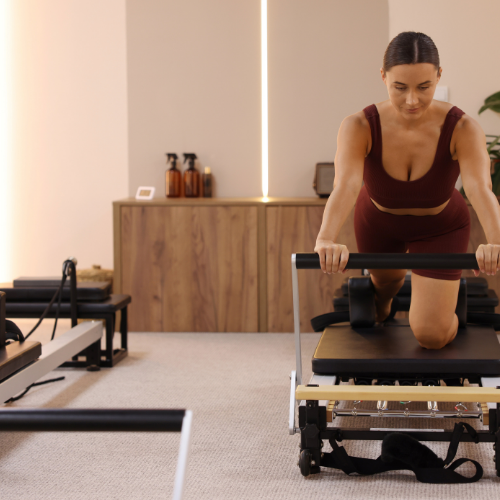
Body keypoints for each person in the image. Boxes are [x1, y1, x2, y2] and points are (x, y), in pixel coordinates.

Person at [314, 31, 500, 349]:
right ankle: (387, 300)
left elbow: (480, 188)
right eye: (400, 87)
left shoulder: (463, 128)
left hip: (441, 226)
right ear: (384, 76)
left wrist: (496, 241)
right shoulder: (358, 125)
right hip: (378, 222)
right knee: (383, 295)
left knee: (431, 334)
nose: (412, 100)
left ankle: (448, 306)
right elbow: (345, 185)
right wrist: (325, 238)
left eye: (424, 87)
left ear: (438, 76)